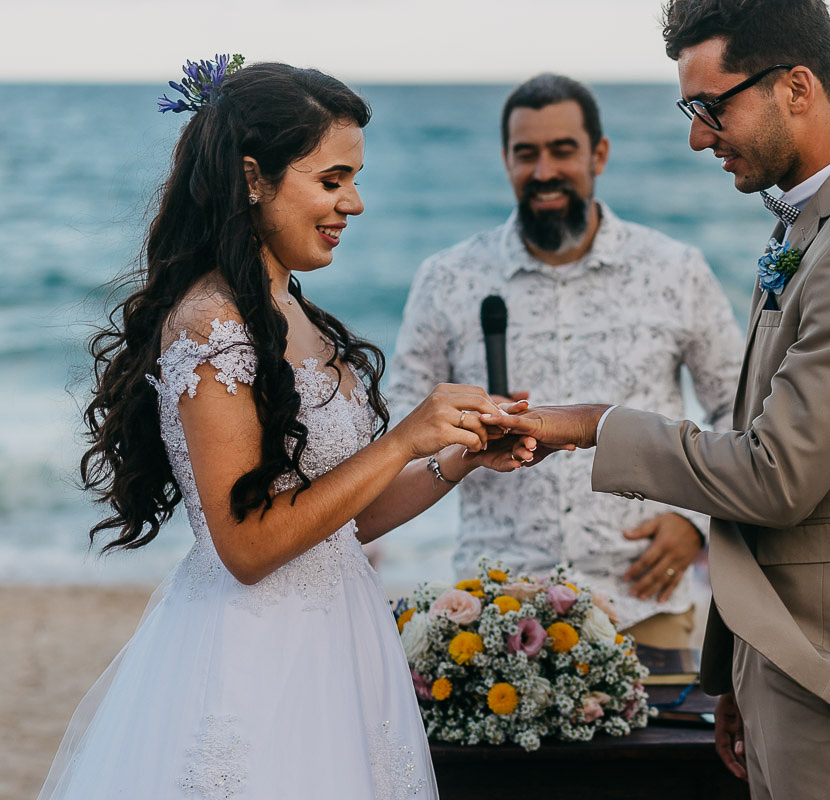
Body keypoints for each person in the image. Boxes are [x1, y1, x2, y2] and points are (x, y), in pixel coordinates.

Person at [484, 1, 830, 797]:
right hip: (793, 653)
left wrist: (593, 425)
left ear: (797, 87)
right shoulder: (814, 223)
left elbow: (775, 475)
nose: (698, 137)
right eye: (691, 110)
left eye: (712, 107)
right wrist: (740, 669)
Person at [40, 59, 534, 799]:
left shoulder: (296, 313)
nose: (354, 203)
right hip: (253, 657)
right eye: (332, 180)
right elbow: (247, 547)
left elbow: (342, 521)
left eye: (354, 180)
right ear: (253, 178)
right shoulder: (210, 325)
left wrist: (456, 457)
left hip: (343, 642)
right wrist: (403, 438)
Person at [388, 73, 742, 647]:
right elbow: (399, 428)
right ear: (506, 160)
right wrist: (462, 427)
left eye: (562, 150)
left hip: (642, 603)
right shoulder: (447, 279)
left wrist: (698, 522)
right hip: (491, 611)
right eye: (526, 154)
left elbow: (738, 405)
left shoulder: (675, 270)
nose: (544, 171)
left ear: (598, 154)